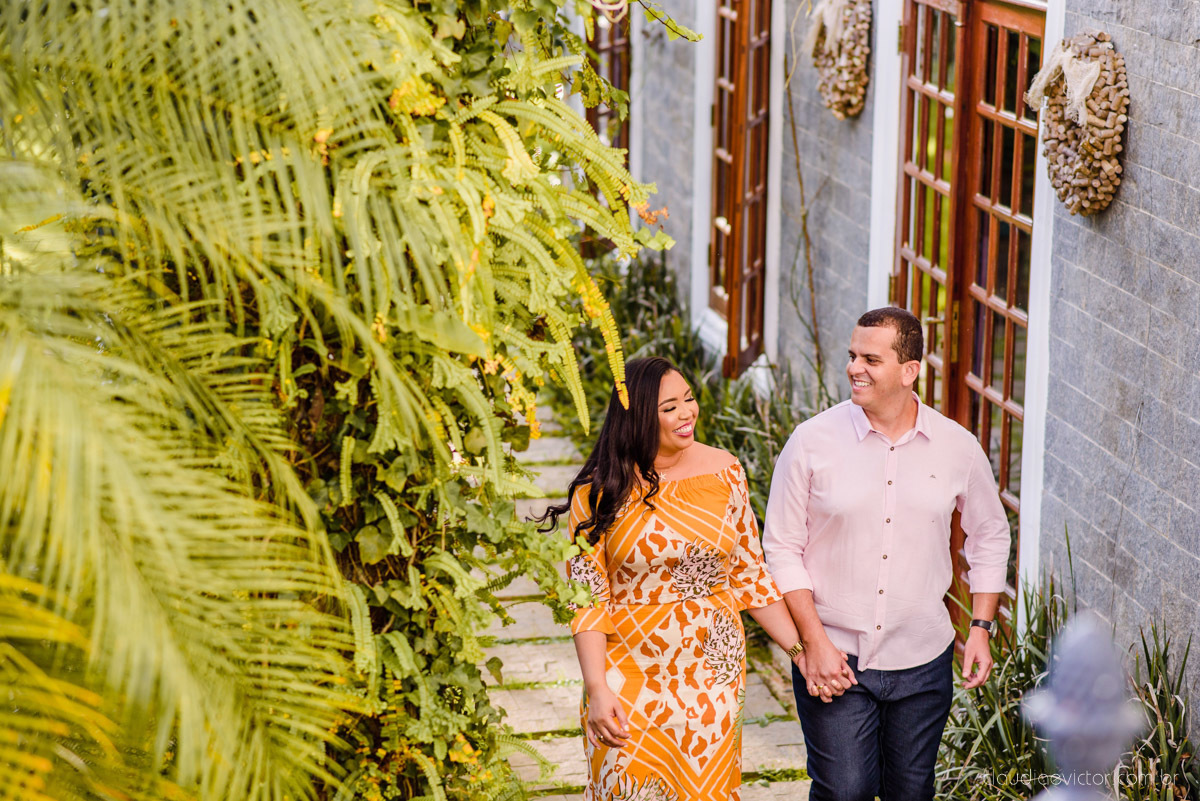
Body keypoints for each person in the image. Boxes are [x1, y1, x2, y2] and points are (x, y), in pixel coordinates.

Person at [762, 307, 1011, 801]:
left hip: (923, 660)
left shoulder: (957, 447)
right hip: (835, 657)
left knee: (911, 792)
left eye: (871, 359)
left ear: (909, 370)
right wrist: (813, 643)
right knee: (845, 790)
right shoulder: (811, 442)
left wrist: (981, 628)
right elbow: (781, 548)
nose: (854, 367)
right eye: (853, 355)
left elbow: (990, 535)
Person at [537, 356, 808, 800]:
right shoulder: (599, 488)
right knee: (626, 787)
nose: (687, 413)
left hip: (712, 671)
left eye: (689, 399)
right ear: (639, 417)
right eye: (669, 407)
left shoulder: (725, 471)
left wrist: (800, 652)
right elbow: (587, 599)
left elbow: (750, 574)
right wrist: (596, 687)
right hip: (627, 669)